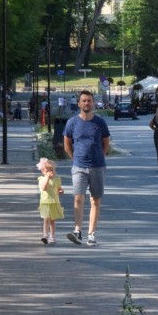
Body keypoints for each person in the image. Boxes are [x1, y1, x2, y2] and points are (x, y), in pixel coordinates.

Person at [63, 90, 111, 246]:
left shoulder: (100, 122)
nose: (86, 103)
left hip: (97, 166)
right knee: (78, 198)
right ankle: (77, 230)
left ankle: (91, 233)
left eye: (89, 101)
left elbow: (106, 143)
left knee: (95, 200)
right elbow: (67, 144)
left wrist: (100, 157)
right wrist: (74, 159)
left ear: (93, 103)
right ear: (79, 103)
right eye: (83, 101)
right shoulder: (72, 123)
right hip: (79, 167)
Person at [36, 157, 64, 244]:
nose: (51, 172)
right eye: (48, 171)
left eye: (52, 170)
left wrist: (60, 191)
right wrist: (47, 177)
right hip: (45, 202)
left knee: (52, 220)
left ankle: (52, 235)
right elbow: (44, 188)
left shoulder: (57, 179)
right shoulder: (42, 179)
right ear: (43, 171)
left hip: (54, 202)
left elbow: (59, 188)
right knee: (46, 219)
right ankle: (45, 235)